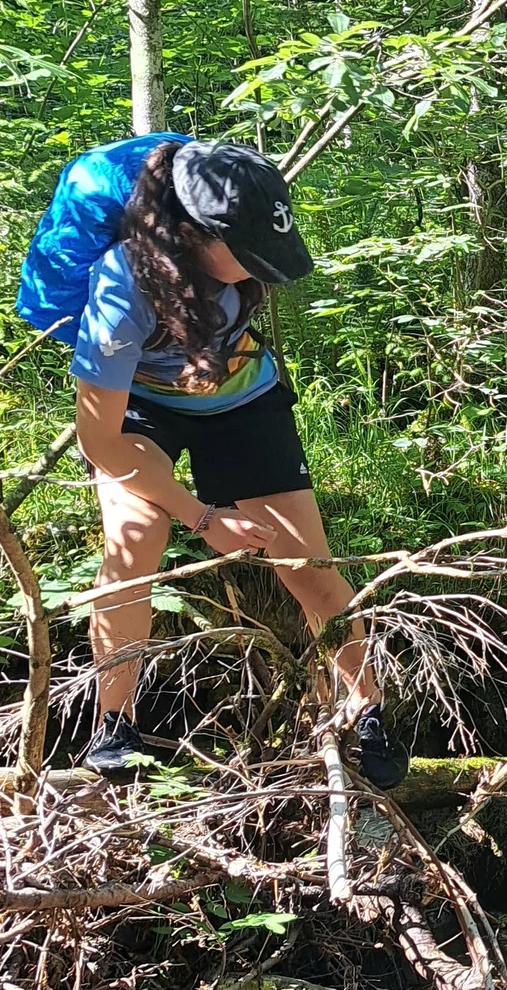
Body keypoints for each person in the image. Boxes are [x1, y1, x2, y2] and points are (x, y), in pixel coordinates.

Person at [68, 137, 408, 786]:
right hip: (140, 410)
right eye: (247, 253)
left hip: (240, 394)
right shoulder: (121, 286)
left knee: (308, 569)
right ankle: (114, 723)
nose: (261, 266)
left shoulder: (235, 253)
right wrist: (201, 517)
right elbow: (99, 442)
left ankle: (367, 711)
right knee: (134, 543)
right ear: (194, 233)